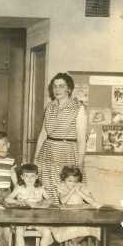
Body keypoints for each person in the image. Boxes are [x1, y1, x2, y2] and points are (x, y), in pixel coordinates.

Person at [34, 72, 87, 205]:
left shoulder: (78, 108)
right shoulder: (50, 107)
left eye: (61, 86)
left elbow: (81, 139)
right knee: (47, 189)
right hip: (48, 154)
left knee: (67, 190)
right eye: (55, 86)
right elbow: (43, 133)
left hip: (67, 154)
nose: (57, 89)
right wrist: (35, 158)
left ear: (69, 88)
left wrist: (79, 164)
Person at [5, 164, 53, 246]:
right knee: (19, 231)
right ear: (22, 177)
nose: (30, 179)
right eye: (26, 176)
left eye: (32, 176)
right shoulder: (19, 188)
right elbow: (8, 199)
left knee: (47, 231)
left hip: (37, 220)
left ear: (37, 177)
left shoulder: (40, 189)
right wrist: (19, 201)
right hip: (22, 219)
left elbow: (50, 200)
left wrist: (43, 203)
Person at [51, 166, 101, 246]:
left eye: (75, 181)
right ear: (64, 179)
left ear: (78, 181)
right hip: (66, 214)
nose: (72, 184)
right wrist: (72, 191)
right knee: (73, 227)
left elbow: (92, 201)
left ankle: (73, 244)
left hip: (81, 212)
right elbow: (63, 201)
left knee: (90, 227)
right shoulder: (61, 186)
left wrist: (80, 192)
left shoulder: (82, 186)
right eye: (69, 181)